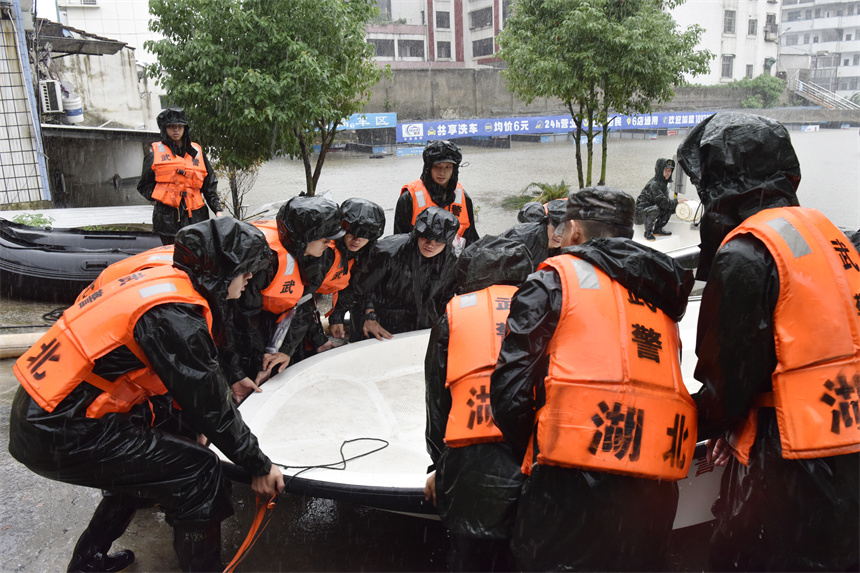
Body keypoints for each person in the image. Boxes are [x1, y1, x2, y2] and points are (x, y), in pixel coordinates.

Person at [8, 218, 284, 573]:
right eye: (246, 272)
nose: (249, 281)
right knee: (197, 471)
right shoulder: (173, 315)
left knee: (148, 467)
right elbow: (209, 404)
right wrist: (258, 465)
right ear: (222, 271)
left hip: (45, 407)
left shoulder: (170, 271)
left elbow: (191, 377)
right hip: (60, 427)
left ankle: (87, 561)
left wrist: (195, 419)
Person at [676, 111, 860, 572]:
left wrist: (704, 424)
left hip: (793, 458)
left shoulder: (747, 250)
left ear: (718, 181)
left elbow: (728, 377)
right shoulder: (828, 234)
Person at [490, 187, 696, 571]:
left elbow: (509, 393)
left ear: (574, 231)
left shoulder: (553, 281)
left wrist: (542, 445)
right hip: (653, 488)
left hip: (570, 485)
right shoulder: (659, 292)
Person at [424, 238, 533, 572]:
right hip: (533, 460)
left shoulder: (453, 317)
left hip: (471, 465)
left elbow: (438, 403)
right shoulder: (544, 308)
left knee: (471, 558)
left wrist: (437, 465)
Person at [245, 196, 345, 382]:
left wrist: (286, 350)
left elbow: (303, 303)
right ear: (304, 238)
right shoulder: (264, 263)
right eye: (324, 238)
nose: (328, 243)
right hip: (254, 325)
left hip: (283, 321)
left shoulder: (317, 257)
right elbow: (240, 320)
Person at [342, 206, 460, 342]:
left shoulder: (450, 262)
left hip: (421, 320)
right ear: (418, 233)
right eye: (426, 237)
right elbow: (359, 289)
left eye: (438, 241)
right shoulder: (388, 252)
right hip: (380, 318)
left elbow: (446, 298)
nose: (430, 245)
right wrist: (369, 316)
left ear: (447, 242)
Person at [137, 107, 224, 245]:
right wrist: (164, 196)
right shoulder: (155, 155)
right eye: (171, 127)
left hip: (197, 217)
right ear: (165, 129)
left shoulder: (197, 153)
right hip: (167, 220)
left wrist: (217, 210)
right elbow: (143, 186)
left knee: (197, 255)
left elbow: (209, 185)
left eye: (179, 126)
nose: (175, 130)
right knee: (171, 255)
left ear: (185, 128)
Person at [313, 198, 386, 342]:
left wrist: (337, 318)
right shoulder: (324, 253)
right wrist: (317, 338)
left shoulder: (366, 254)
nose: (356, 241)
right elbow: (304, 299)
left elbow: (354, 289)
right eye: (352, 234)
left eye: (363, 236)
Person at [394, 140, 479, 248]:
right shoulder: (409, 198)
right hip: (419, 262)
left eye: (448, 167)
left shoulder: (463, 197)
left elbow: (471, 239)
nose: (442, 172)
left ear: (454, 169)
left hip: (453, 261)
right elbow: (399, 241)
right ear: (428, 168)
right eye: (437, 166)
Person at [499, 198, 567, 270]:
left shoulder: (569, 249)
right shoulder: (521, 238)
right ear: (548, 221)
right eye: (556, 227)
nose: (560, 236)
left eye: (566, 231)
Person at [634, 158, 684, 241]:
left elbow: (665, 204)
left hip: (651, 210)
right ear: (660, 170)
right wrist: (677, 201)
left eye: (670, 171)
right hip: (640, 214)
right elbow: (664, 203)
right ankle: (648, 232)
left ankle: (658, 229)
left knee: (671, 208)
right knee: (656, 209)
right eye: (666, 170)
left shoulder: (664, 184)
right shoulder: (654, 185)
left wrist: (677, 204)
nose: (668, 173)